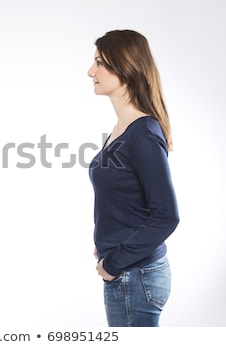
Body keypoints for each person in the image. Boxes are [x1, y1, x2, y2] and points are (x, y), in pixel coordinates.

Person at [87, 30, 179, 327]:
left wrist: (114, 262)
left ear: (124, 66)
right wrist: (107, 241)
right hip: (128, 271)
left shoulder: (143, 135)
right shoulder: (122, 128)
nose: (91, 71)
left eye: (99, 63)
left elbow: (166, 216)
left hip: (134, 275)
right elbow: (126, 199)